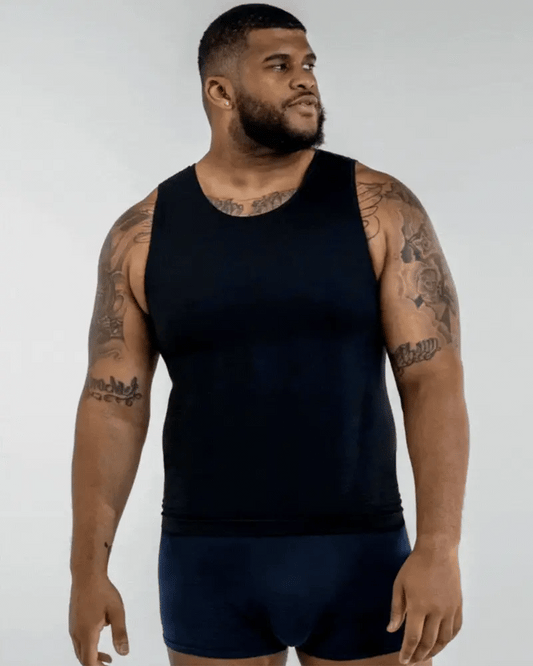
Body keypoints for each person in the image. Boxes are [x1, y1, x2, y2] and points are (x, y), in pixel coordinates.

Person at [69, 4, 469, 666]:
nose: (305, 79)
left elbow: (431, 378)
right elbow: (112, 405)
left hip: (360, 552)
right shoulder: (142, 233)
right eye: (279, 66)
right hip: (207, 560)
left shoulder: (378, 207)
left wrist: (440, 547)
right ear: (220, 91)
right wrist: (87, 571)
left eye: (308, 63)